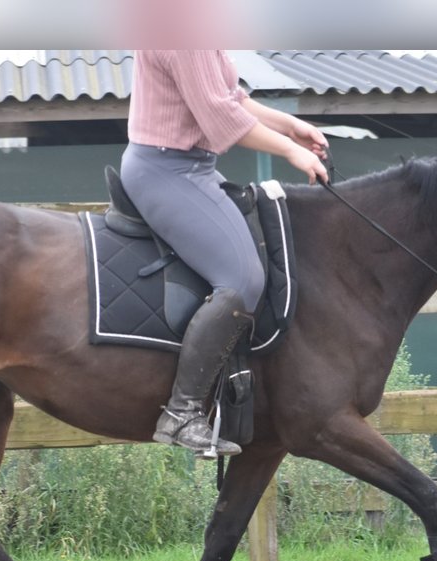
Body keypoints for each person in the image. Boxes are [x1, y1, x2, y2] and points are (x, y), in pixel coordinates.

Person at [120, 50, 330, 457]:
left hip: (193, 166)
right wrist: (289, 150)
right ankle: (181, 413)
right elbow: (222, 119)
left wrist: (291, 126)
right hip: (166, 170)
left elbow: (232, 98)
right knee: (243, 278)